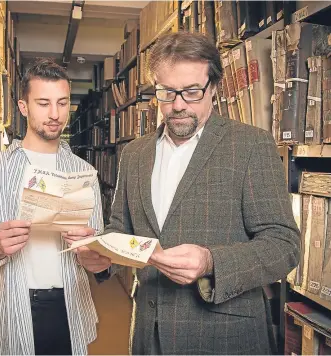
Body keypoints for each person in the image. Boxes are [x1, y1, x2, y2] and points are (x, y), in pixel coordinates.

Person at [65, 32, 300, 355]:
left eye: (192, 92)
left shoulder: (251, 146)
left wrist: (210, 261)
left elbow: (284, 246)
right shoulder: (135, 153)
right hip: (149, 334)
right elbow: (122, 228)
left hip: (224, 337)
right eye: (166, 92)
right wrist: (102, 256)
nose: (177, 105)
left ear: (214, 88)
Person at [0, 59, 103, 355]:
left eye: (62, 103)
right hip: (15, 311)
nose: (55, 115)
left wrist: (96, 255)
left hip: (72, 308)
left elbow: (99, 249)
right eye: (43, 103)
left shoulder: (85, 173)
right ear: (23, 107)